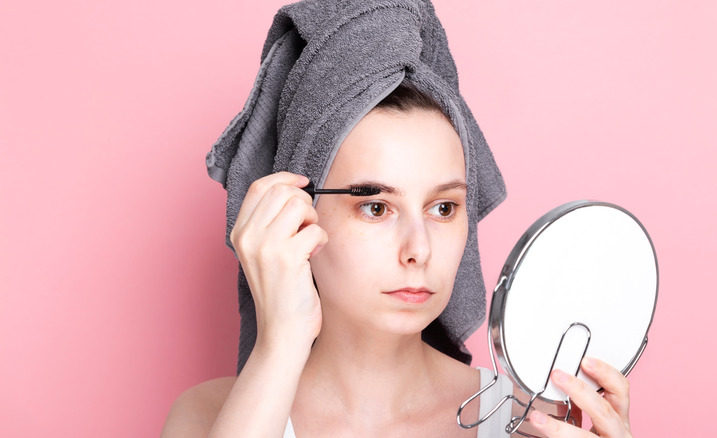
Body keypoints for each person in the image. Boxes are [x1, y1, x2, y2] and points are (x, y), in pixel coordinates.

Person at [163, 2, 635, 437]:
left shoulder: (530, 421)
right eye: (375, 207)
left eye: (443, 208)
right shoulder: (208, 417)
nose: (420, 249)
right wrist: (280, 342)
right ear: (294, 213)